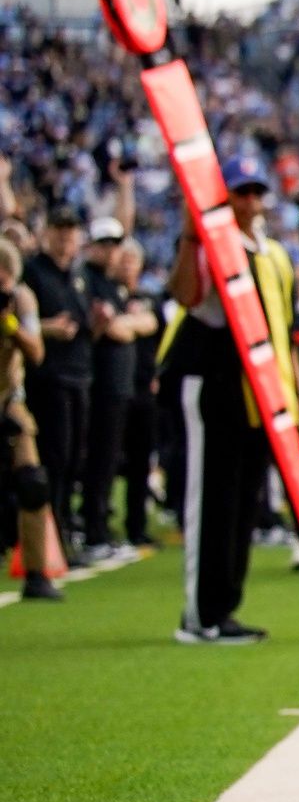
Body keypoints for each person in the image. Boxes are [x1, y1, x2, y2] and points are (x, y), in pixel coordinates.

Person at [161, 155, 299, 643]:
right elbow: (185, 296)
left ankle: (225, 605)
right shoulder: (213, 246)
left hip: (259, 389)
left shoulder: (272, 254)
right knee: (213, 497)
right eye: (239, 192)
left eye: (255, 192)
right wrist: (189, 236)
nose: (249, 202)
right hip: (216, 379)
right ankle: (200, 613)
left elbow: (284, 330)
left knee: (244, 500)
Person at [80, 217, 156, 558]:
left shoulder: (114, 287)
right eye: (107, 246)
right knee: (98, 460)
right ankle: (93, 530)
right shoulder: (88, 280)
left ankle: (103, 528)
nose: (113, 253)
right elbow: (115, 329)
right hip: (101, 385)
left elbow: (141, 324)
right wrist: (127, 323)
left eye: (116, 246)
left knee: (111, 460)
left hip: (122, 386)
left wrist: (126, 323)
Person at [22, 208, 94, 564]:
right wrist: (47, 328)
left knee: (72, 459)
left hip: (79, 372)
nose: (66, 238)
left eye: (71, 232)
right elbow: (25, 319)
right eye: (59, 231)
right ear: (47, 233)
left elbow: (83, 319)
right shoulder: (34, 271)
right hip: (49, 376)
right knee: (55, 456)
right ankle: (53, 537)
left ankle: (65, 529)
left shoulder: (77, 274)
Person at [0, 239, 63, 601]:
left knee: (33, 481)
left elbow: (36, 351)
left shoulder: (21, 300)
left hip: (11, 399)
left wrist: (9, 324)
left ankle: (37, 573)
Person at [114, 239, 163, 549]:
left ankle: (137, 525)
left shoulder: (147, 296)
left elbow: (154, 325)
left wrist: (127, 323)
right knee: (105, 459)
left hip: (144, 386)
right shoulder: (107, 290)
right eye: (124, 259)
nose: (128, 265)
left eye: (133, 260)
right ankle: (97, 525)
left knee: (141, 459)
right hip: (116, 385)